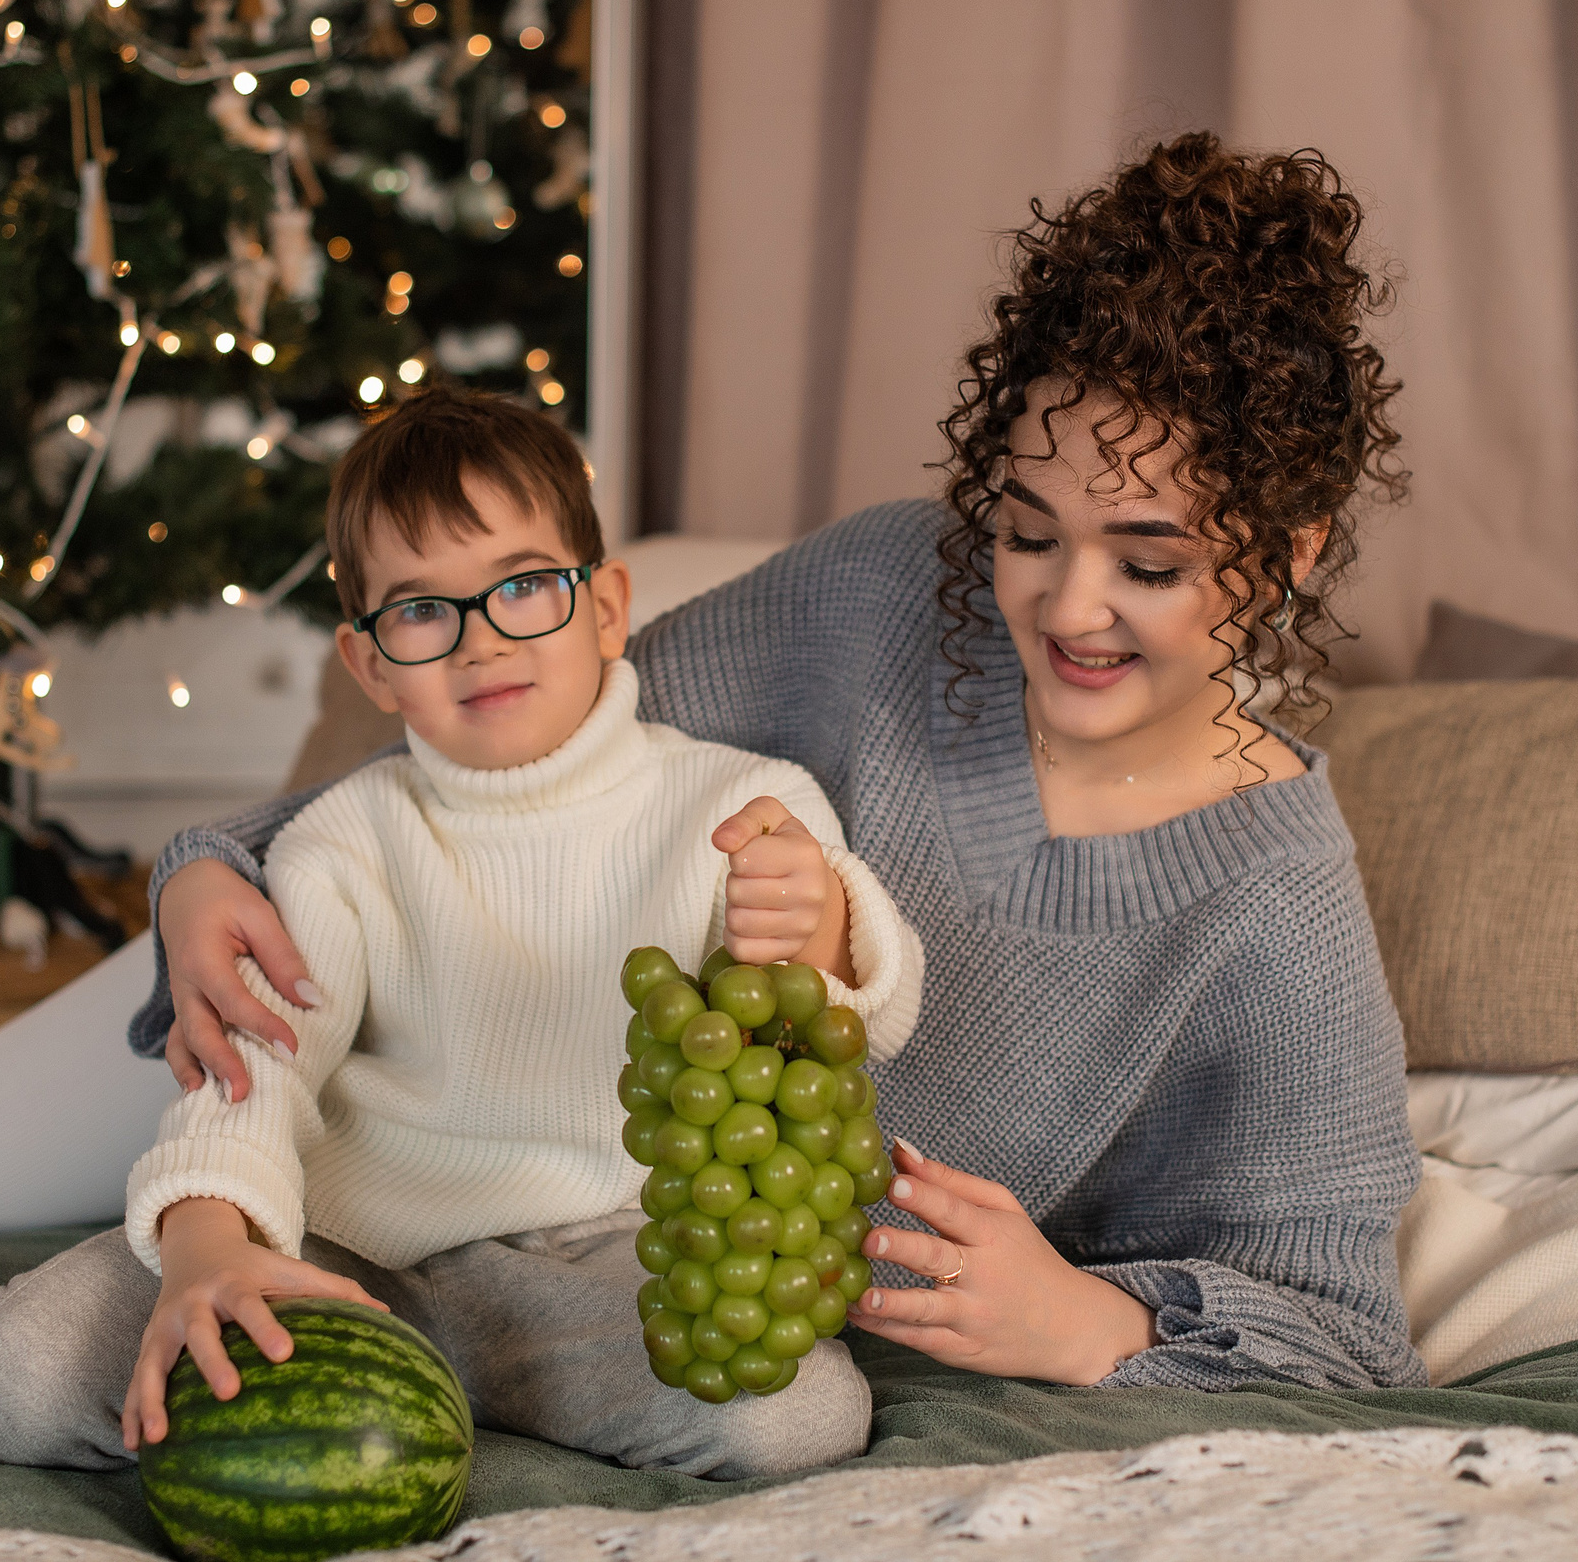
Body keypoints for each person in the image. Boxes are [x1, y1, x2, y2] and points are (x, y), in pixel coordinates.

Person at [138, 131, 1426, 1393]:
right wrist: (209, 867)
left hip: (740, 1361)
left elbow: (1346, 1339)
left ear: (1287, 554)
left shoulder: (1278, 902)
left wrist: (1087, 1322)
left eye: (1148, 563)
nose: (1068, 608)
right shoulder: (890, 590)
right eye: (1028, 533)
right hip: (588, 1252)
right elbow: (525, 743)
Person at [0, 390, 921, 1480]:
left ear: (604, 609)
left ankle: (435, 1399)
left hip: (603, 1271)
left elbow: (849, 1032)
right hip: (347, 1259)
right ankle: (392, 1380)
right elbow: (257, 1063)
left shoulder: (747, 803)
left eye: (524, 585)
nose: (480, 639)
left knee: (795, 1420)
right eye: (420, 609)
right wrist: (207, 1244)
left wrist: (823, 930)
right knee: (3, 1377)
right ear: (369, 664)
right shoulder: (341, 838)